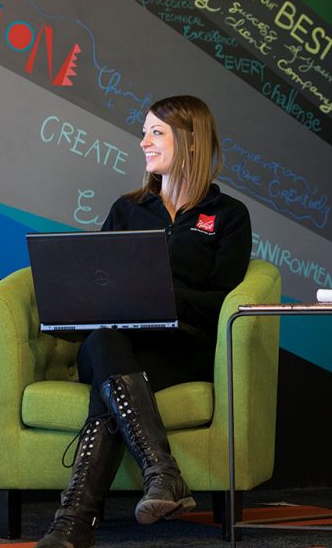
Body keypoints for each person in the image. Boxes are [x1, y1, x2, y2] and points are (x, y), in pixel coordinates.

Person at [36, 95, 252, 548]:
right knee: (102, 343)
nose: (144, 143)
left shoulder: (230, 216)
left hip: (182, 348)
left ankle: (72, 524)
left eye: (157, 132)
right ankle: (163, 474)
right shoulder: (127, 209)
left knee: (105, 374)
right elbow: (99, 284)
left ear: (191, 142)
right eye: (144, 132)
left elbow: (222, 300)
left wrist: (164, 294)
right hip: (121, 342)